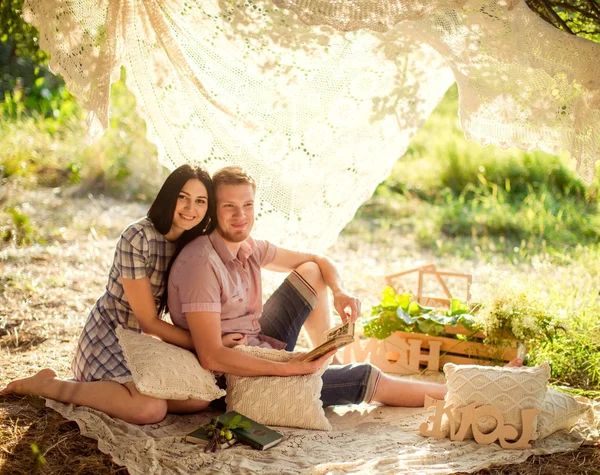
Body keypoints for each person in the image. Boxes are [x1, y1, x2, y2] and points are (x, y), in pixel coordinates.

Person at [166, 166, 449, 407]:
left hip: (257, 345)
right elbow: (211, 356)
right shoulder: (201, 264)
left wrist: (339, 292)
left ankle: (328, 362)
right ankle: (454, 395)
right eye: (229, 206)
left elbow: (318, 260)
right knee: (364, 377)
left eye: (247, 205)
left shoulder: (249, 246)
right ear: (214, 211)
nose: (241, 215)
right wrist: (289, 367)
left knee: (312, 272)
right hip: (232, 378)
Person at [0, 165, 223, 423]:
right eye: (182, 197)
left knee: (198, 397)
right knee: (149, 409)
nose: (189, 208)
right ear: (168, 195)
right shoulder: (138, 237)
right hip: (110, 336)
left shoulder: (193, 245)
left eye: (200, 201)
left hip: (146, 343)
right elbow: (148, 322)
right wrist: (207, 345)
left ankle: (127, 394)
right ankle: (50, 386)